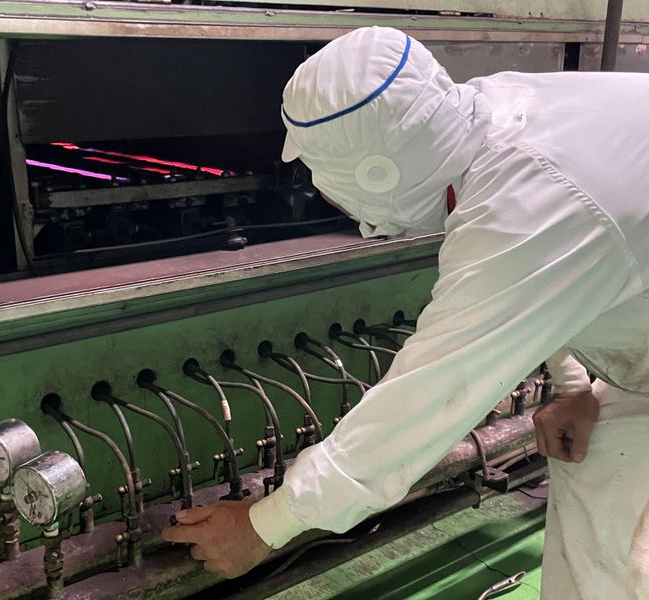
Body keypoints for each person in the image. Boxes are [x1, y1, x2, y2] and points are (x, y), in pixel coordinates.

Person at [162, 26, 649, 599]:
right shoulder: (487, 117)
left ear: (377, 173)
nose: (323, 192)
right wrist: (573, 387)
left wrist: (265, 525)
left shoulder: (527, 202)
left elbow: (431, 395)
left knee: (627, 565)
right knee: (598, 498)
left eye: (321, 174)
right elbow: (557, 276)